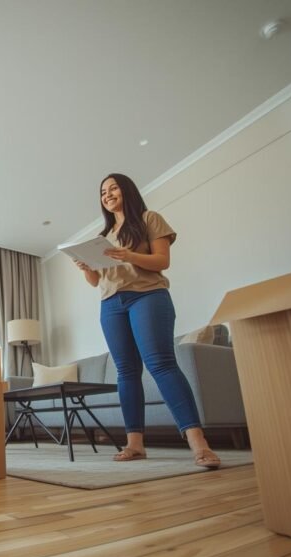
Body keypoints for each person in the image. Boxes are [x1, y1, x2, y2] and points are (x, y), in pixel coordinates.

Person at [73, 173, 221, 469]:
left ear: (126, 190)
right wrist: (86, 267)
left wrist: (129, 255)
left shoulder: (149, 218)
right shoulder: (102, 238)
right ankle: (135, 445)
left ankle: (198, 442)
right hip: (110, 304)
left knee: (161, 364)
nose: (107, 194)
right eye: (103, 191)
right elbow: (95, 281)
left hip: (147, 296)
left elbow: (162, 261)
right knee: (126, 372)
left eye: (113, 187)